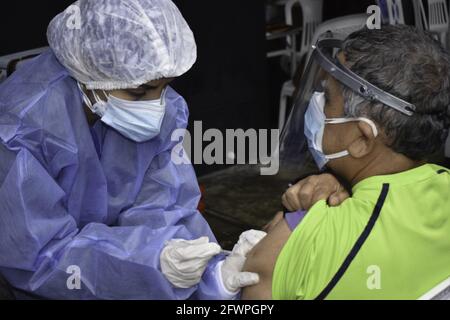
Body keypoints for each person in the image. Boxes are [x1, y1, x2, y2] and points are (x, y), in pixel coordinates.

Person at [0, 0, 265, 300]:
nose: (157, 105)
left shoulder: (162, 112)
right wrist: (151, 265)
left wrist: (211, 276)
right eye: (140, 92)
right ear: (90, 70)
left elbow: (164, 211)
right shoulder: (19, 128)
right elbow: (41, 259)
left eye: (164, 87)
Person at [242, 25, 450, 300]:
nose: (316, 103)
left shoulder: (300, 244)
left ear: (362, 140)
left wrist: (294, 221)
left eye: (327, 98)